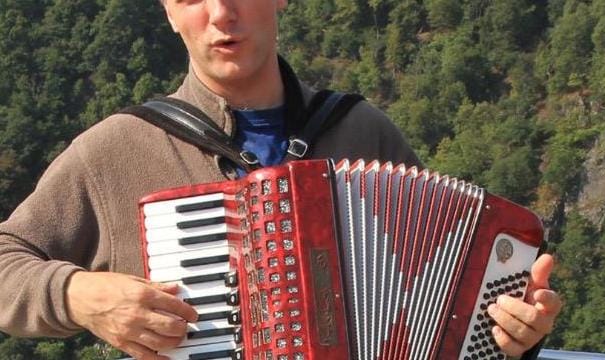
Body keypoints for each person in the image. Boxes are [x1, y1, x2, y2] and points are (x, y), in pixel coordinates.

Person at [0, 0, 562, 359]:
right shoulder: (118, 148)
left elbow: (447, 311)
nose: (221, 14)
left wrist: (511, 335)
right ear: (169, 12)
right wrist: (78, 295)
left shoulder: (363, 132)